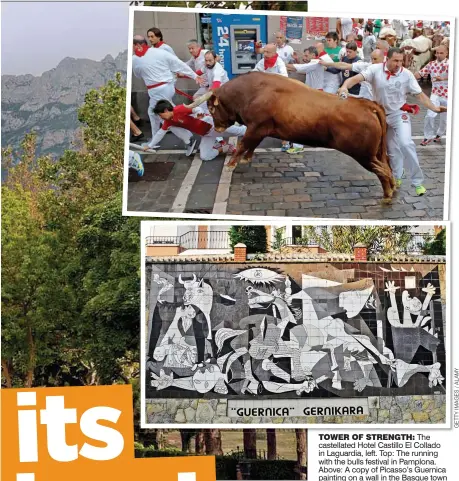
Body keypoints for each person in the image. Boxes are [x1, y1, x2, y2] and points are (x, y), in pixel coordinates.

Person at [338, 47, 447, 197]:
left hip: (399, 114)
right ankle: (397, 175)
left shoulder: (407, 75)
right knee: (391, 150)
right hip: (381, 116)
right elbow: (354, 79)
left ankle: (417, 182)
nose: (399, 64)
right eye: (395, 60)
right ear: (387, 59)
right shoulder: (375, 69)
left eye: (401, 61)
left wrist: (434, 108)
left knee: (406, 143)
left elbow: (420, 95)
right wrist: (344, 87)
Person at [132, 35, 206, 155]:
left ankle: (188, 139)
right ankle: (156, 141)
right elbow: (178, 64)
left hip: (158, 90)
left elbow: (138, 75)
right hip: (165, 88)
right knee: (155, 114)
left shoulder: (135, 59)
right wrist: (194, 76)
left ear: (137, 45)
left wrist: (194, 76)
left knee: (167, 118)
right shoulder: (159, 53)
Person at [144, 99, 247, 162]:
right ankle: (225, 148)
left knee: (242, 132)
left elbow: (196, 109)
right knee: (205, 156)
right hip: (207, 134)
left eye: (160, 114)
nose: (160, 117)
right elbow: (160, 134)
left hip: (213, 125)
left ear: (166, 110)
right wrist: (149, 146)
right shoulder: (168, 122)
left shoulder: (179, 109)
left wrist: (199, 113)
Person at [415, 45, 449, 145]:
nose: (438, 55)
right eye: (437, 53)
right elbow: (420, 73)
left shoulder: (450, 64)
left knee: (445, 118)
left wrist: (443, 79)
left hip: (447, 95)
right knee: (429, 115)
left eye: (441, 53)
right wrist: (409, 77)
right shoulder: (431, 64)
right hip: (435, 94)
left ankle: (439, 134)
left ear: (446, 53)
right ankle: (427, 136)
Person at [320, 49, 385, 100]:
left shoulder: (388, 71)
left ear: (382, 58)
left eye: (375, 59)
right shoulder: (367, 66)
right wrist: (327, 64)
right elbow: (344, 65)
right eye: (372, 59)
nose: (373, 61)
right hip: (365, 102)